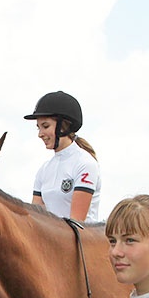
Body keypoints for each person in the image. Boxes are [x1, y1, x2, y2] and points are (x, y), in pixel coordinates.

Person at [25, 91, 102, 222]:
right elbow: (35, 219)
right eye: (38, 128)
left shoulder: (85, 164)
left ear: (63, 126)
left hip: (82, 240)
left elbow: (76, 223)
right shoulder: (44, 170)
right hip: (53, 239)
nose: (40, 134)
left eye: (45, 126)